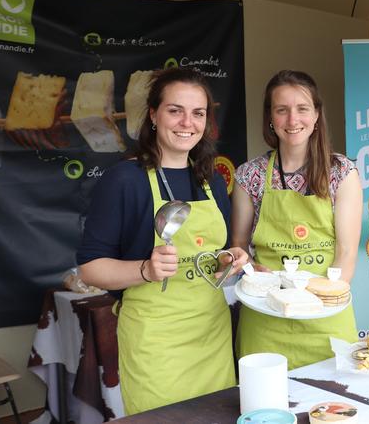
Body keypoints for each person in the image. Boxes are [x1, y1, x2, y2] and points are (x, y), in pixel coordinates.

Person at [77, 67, 248, 414]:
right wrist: (145, 269)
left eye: (198, 113)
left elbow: (218, 256)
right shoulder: (125, 180)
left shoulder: (211, 181)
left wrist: (231, 259)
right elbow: (91, 269)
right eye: (175, 110)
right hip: (155, 342)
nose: (187, 122)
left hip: (211, 334)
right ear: (154, 115)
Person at [232, 70, 363, 370]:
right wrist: (251, 269)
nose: (293, 120)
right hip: (265, 317)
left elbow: (346, 254)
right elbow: (239, 248)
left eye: (302, 109)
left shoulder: (341, 172)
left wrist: (315, 305)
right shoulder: (249, 175)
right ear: (270, 118)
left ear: (317, 115)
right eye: (282, 110)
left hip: (325, 319)